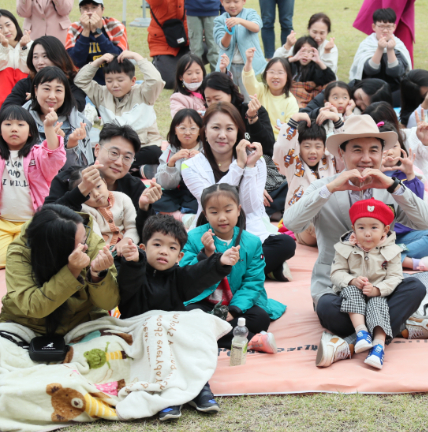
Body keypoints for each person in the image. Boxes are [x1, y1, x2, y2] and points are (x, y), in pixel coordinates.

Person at [283, 114, 428, 368]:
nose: (366, 158)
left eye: (373, 150)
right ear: (341, 153)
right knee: (326, 308)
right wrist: (330, 189)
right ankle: (398, 327)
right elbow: (291, 223)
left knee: (416, 288)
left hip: (381, 288)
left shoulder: (389, 187)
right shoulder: (323, 186)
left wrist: (395, 187)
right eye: (357, 149)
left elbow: (425, 222)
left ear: (382, 154)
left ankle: (348, 343)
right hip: (337, 286)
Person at [116, 215, 236, 421]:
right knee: (159, 332)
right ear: (143, 247)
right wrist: (134, 263)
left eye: (172, 248)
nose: (164, 251)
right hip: (140, 332)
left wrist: (220, 263)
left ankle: (199, 387)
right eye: (157, 244)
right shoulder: (133, 271)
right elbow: (127, 285)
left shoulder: (178, 277)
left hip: (172, 335)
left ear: (179, 256)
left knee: (197, 319)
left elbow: (198, 274)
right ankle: (168, 394)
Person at [181, 102, 296, 282]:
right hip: (211, 229)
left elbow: (250, 207)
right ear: (204, 131)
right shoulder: (190, 165)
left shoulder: (256, 161)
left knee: (286, 245)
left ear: (238, 133)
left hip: (247, 228)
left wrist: (249, 167)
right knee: (191, 253)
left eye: (229, 129)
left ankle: (225, 270)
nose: (222, 135)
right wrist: (238, 166)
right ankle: (260, 269)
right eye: (215, 128)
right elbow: (212, 200)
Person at [181, 184, 284, 352]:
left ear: (238, 210)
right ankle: (251, 340)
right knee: (186, 315)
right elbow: (185, 275)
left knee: (260, 319)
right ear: (205, 214)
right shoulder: (193, 237)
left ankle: (202, 336)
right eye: (214, 212)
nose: (222, 218)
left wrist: (234, 311)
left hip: (236, 303)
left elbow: (253, 281)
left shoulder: (251, 242)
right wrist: (205, 255)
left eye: (228, 210)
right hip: (203, 302)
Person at [0, 203, 119, 335]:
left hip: (83, 322)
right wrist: (72, 271)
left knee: (116, 350)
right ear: (57, 249)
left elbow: (109, 304)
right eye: (80, 244)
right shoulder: (20, 251)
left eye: (85, 238)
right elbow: (34, 307)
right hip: (26, 324)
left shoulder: (91, 242)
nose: (86, 246)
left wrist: (97, 275)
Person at [0, 105, 65, 271]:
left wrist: (49, 127)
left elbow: (55, 157)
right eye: (8, 124)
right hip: (2, 222)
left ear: (30, 131)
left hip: (33, 221)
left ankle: (21, 250)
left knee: (47, 257)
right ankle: (21, 252)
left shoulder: (37, 154)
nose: (14, 129)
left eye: (20, 125)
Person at [45, 124, 163, 240]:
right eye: (114, 153)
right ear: (97, 150)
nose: (119, 162)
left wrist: (144, 208)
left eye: (127, 157)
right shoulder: (69, 178)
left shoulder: (134, 187)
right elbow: (46, 222)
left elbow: (150, 237)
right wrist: (81, 190)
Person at [329, 198, 406, 370]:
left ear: (385, 229)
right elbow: (336, 272)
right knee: (342, 295)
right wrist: (352, 280)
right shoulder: (344, 248)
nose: (367, 233)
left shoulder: (392, 251)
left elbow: (395, 276)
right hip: (352, 297)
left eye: (374, 227)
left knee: (380, 304)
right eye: (361, 227)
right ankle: (362, 333)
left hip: (378, 295)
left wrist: (378, 289)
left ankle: (378, 347)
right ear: (353, 229)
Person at [75, 51, 165, 178]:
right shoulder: (101, 94)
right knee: (90, 152)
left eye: (120, 80)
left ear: (133, 80)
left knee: (154, 152)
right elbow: (80, 81)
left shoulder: (145, 93)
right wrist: (97, 62)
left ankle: (117, 169)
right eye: (109, 80)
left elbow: (155, 80)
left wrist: (137, 57)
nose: (114, 85)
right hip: (114, 150)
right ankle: (134, 170)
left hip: (141, 147)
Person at [378, 121, 428, 271]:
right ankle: (405, 261)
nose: (390, 152)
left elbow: (417, 204)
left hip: (404, 235)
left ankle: (386, 258)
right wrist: (379, 172)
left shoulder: (408, 172)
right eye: (383, 148)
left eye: (394, 146)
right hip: (376, 235)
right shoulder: (371, 174)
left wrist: (410, 174)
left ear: (401, 148)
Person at [274, 114, 340, 246]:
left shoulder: (332, 161)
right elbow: (281, 148)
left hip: (331, 222)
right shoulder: (293, 164)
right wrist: (293, 121)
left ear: (325, 147)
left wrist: (338, 122)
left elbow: (345, 149)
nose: (313, 151)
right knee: (315, 224)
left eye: (318, 146)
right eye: (307, 146)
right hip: (305, 227)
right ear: (298, 147)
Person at [353, 0, 426, 64]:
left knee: (405, 44)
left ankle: (406, 75)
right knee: (381, 42)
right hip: (385, 2)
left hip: (405, 6)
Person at [24, 66, 93, 169]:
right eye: (46, 89)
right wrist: (50, 142)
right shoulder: (20, 119)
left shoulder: (78, 123)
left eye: (58, 90)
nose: (52, 96)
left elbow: (77, 173)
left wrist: (71, 144)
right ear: (36, 90)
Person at [3, 36, 88, 113]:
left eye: (45, 56)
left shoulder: (74, 82)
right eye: (35, 57)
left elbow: (77, 106)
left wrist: (41, 98)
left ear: (58, 57)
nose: (40, 62)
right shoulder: (25, 84)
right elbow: (7, 109)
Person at [213, 0, 265, 101]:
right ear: (221, 2)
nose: (232, 5)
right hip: (229, 66)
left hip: (248, 66)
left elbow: (256, 27)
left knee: (250, 99)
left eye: (236, 1)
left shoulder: (250, 13)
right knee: (229, 99)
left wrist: (240, 21)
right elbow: (223, 44)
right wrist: (228, 31)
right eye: (227, 1)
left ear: (244, 0)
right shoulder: (219, 20)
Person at [203, 71, 274, 157]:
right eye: (208, 100)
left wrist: (253, 119)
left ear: (231, 94)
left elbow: (268, 147)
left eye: (217, 98)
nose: (213, 104)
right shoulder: (208, 118)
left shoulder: (254, 111)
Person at [143, 0, 190, 90]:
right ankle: (160, 63)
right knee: (170, 82)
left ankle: (188, 65)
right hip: (163, 42)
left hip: (188, 38)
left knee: (211, 47)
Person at [67, 168, 139, 253]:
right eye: (88, 192)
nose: (96, 194)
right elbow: (96, 239)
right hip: (103, 252)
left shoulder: (122, 199)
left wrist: (127, 240)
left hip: (128, 246)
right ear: (80, 195)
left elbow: (133, 227)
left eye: (98, 186)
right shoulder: (85, 210)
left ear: (104, 182)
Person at [65, 0, 128, 86]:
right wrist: (86, 30)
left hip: (113, 83)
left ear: (102, 9)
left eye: (94, 7)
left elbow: (119, 58)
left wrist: (97, 32)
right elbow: (74, 62)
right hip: (83, 84)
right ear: (80, 11)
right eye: (85, 8)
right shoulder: (74, 29)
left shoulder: (115, 26)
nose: (90, 12)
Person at [0, 10, 32, 119]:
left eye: (8, 25)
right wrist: (3, 46)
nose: (6, 30)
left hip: (24, 89)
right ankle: (6, 108)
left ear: (15, 24)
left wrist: (23, 47)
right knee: (5, 72)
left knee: (21, 73)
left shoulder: (30, 44)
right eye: (0, 28)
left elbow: (28, 69)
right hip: (2, 90)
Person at [350, 8, 412, 95]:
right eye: (381, 26)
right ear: (374, 27)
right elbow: (370, 70)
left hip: (394, 90)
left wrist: (390, 50)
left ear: (394, 27)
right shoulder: (367, 44)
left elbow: (396, 72)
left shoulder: (398, 45)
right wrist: (379, 49)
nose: (385, 30)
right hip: (370, 90)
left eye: (389, 27)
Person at [153, 109, 203, 216]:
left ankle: (178, 215)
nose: (187, 132)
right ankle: (181, 217)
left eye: (193, 128)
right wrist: (172, 162)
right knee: (156, 199)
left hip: (196, 191)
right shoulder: (171, 150)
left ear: (200, 131)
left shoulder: (205, 150)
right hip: (175, 190)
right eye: (182, 128)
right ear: (175, 130)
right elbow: (165, 184)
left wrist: (201, 159)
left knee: (202, 201)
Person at [243, 49, 299, 137]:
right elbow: (249, 82)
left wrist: (286, 129)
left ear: (288, 77)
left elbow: (292, 129)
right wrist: (249, 62)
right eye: (271, 72)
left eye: (280, 73)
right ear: (265, 75)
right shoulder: (261, 90)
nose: (275, 76)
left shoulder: (291, 101)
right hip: (258, 136)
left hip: (279, 141)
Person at [182, 0, 224, 72]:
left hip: (212, 11)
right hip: (193, 12)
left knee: (214, 48)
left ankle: (217, 77)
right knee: (196, 49)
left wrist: (223, 12)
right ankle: (197, 78)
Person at [287, 36, 337, 107]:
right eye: (303, 51)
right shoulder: (290, 63)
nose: (306, 55)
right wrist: (294, 58)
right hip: (289, 99)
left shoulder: (316, 68)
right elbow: (276, 66)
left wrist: (319, 62)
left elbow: (331, 80)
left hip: (306, 102)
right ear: (296, 51)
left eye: (310, 52)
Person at [170, 53, 208, 118]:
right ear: (180, 77)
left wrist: (223, 70)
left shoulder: (208, 91)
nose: (194, 77)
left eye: (198, 72)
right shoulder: (177, 98)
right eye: (189, 73)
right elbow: (179, 118)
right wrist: (196, 116)